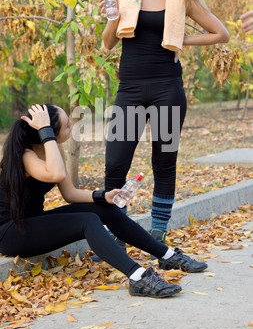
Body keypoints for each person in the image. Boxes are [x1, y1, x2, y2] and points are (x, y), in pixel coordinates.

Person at [98, 0, 229, 252]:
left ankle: (158, 230)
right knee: (115, 163)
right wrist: (112, 17)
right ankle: (118, 228)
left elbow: (220, 33)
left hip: (167, 88)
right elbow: (107, 44)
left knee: (164, 161)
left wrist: (182, 40)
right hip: (129, 88)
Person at [0, 104, 207, 300]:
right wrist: (46, 130)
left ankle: (167, 255)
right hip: (11, 232)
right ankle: (137, 278)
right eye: (67, 125)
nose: (72, 125)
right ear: (48, 133)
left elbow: (70, 193)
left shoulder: (54, 147)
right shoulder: (25, 155)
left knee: (103, 208)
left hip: (32, 222)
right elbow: (55, 173)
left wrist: (103, 196)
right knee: (87, 221)